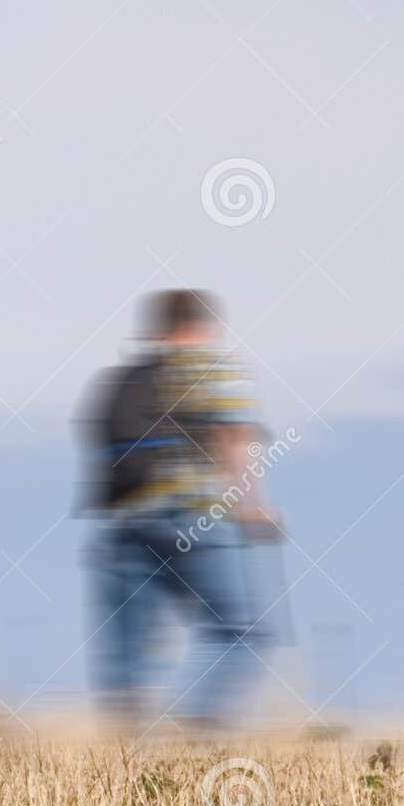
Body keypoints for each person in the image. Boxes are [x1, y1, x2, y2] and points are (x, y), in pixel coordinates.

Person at [79, 289, 277, 734]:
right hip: (196, 515)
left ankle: (125, 748)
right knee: (241, 631)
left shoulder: (117, 382)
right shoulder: (214, 367)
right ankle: (195, 719)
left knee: (128, 650)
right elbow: (233, 438)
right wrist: (253, 507)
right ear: (201, 326)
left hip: (125, 521)